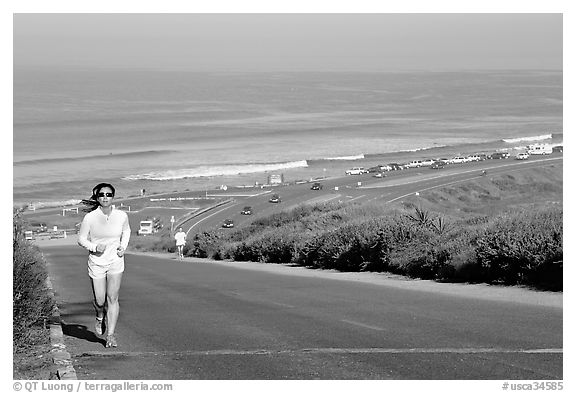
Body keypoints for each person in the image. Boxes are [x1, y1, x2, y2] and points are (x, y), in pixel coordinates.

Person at [78, 183, 131, 348]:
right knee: (100, 300)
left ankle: (111, 335)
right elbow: (81, 239)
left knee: (113, 298)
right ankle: (100, 314)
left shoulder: (121, 215)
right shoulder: (90, 218)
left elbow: (127, 231)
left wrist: (123, 246)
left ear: (113, 197)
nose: (105, 197)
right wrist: (94, 247)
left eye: (108, 195)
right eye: (101, 195)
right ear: (97, 197)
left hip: (115, 260)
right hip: (97, 262)